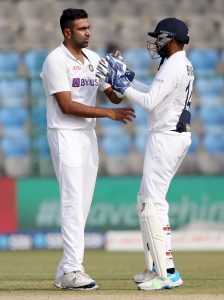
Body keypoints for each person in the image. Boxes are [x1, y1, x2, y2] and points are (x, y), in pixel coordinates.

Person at [40, 8, 135, 291]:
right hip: (64, 133)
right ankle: (72, 269)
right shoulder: (55, 60)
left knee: (81, 206)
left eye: (89, 27)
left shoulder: (94, 59)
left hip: (87, 135)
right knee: (72, 201)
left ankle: (64, 272)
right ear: (67, 32)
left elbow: (114, 97)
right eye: (82, 28)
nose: (88, 32)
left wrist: (121, 78)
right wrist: (107, 114)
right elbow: (66, 106)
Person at [97, 17, 194, 290]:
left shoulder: (174, 65)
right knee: (146, 201)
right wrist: (128, 80)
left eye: (160, 38)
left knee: (152, 203)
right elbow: (153, 93)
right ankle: (158, 268)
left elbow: (150, 103)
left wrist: (123, 85)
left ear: (172, 39)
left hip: (166, 137)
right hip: (169, 136)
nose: (156, 43)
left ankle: (166, 274)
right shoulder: (177, 63)